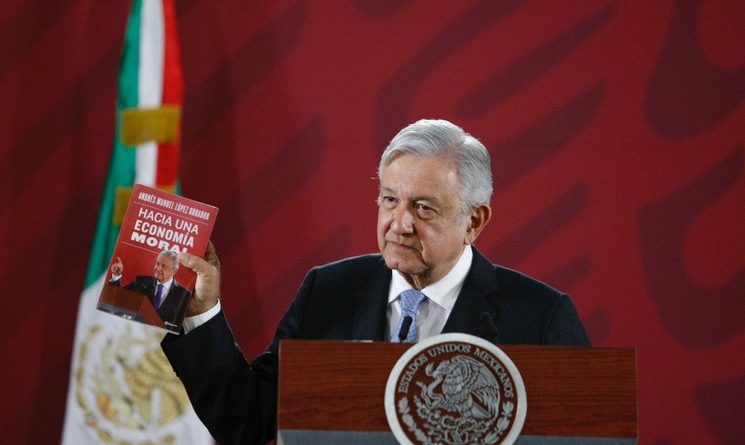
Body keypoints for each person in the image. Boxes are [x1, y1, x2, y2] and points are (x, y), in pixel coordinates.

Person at [162, 119, 590, 445]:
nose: (399, 224)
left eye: (423, 208)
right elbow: (247, 423)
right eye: (390, 200)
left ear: (473, 222)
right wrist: (203, 314)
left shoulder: (540, 318)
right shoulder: (328, 292)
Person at [109, 250, 191, 328]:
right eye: (157, 264)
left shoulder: (184, 295)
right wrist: (116, 276)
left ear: (174, 271)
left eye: (163, 266)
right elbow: (117, 299)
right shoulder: (141, 282)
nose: (158, 268)